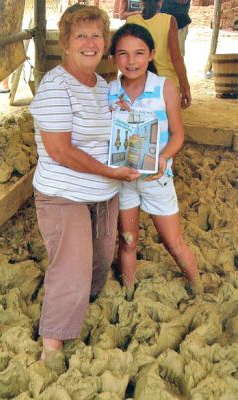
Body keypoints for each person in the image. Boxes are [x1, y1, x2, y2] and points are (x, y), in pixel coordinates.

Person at [29, 5, 140, 360]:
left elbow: (116, 136)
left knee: (100, 260)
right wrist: (111, 172)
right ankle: (53, 344)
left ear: (105, 43)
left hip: (104, 192)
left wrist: (133, 146)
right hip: (64, 193)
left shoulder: (104, 88)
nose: (91, 43)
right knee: (72, 265)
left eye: (97, 36)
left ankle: (86, 302)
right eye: (81, 36)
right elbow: (60, 151)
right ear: (65, 42)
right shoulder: (55, 85)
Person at [108, 23, 201, 297]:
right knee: (127, 241)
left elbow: (177, 135)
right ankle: (128, 293)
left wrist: (163, 158)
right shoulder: (110, 90)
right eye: (123, 54)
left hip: (157, 179)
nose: (131, 61)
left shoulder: (165, 88)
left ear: (151, 54)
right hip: (123, 180)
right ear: (114, 57)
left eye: (139, 53)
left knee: (173, 242)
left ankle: (197, 287)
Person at [127, 0, 191, 109]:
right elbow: (176, 58)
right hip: (165, 83)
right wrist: (185, 86)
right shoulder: (169, 20)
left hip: (138, 81)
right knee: (168, 124)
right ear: (161, 1)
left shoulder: (131, 20)